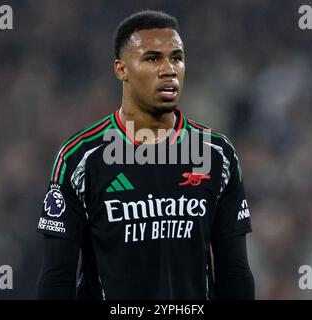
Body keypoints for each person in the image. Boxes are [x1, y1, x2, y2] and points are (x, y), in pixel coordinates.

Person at [36, 10, 254, 300]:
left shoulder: (217, 155)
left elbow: (234, 270)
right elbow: (57, 276)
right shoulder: (80, 158)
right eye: (152, 59)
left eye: (176, 57)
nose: (169, 69)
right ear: (121, 69)